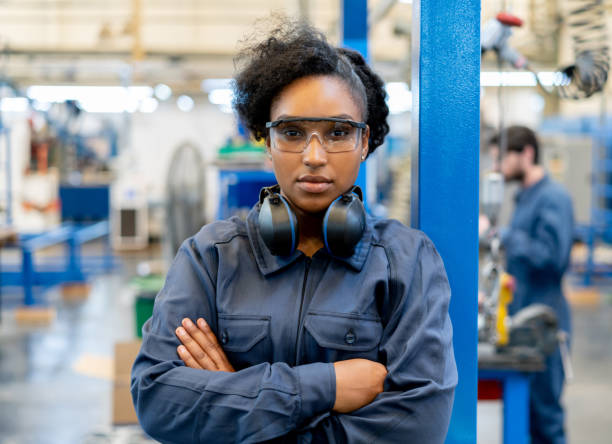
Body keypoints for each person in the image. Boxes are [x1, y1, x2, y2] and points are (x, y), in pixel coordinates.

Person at [131, 18, 457, 444]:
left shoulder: (407, 261)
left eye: (338, 132)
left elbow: (418, 425)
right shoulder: (211, 257)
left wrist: (238, 403)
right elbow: (157, 399)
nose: (314, 155)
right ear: (265, 141)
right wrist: (329, 387)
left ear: (366, 142)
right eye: (292, 132)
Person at [490, 125, 573, 444]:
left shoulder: (553, 198)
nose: (497, 168)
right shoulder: (524, 197)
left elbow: (553, 258)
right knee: (526, 420)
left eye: (502, 159)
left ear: (526, 154)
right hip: (524, 320)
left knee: (546, 420)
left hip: (546, 325)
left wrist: (506, 236)